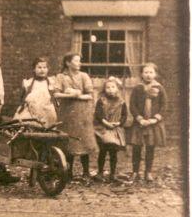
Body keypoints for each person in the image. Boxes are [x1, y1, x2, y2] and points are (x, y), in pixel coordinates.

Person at [54, 52, 98, 182]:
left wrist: (77, 95)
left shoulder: (84, 76)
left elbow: (90, 95)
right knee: (69, 142)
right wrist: (71, 95)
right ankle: (69, 172)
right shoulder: (61, 77)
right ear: (68, 63)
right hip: (67, 114)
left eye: (79, 61)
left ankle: (85, 172)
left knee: (83, 141)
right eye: (76, 61)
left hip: (82, 114)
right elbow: (56, 94)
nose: (79, 63)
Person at [127, 63, 167, 183]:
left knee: (150, 147)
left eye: (151, 72)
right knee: (137, 147)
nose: (148, 75)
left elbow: (164, 105)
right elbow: (132, 105)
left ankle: (148, 172)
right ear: (141, 74)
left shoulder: (160, 88)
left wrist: (155, 119)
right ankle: (135, 172)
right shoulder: (137, 88)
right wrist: (139, 118)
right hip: (139, 123)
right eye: (146, 72)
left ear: (155, 74)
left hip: (153, 123)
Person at [94, 77, 128, 183]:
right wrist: (106, 123)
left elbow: (124, 115)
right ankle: (100, 172)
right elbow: (98, 114)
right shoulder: (101, 101)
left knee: (113, 153)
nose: (110, 89)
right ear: (104, 89)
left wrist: (118, 123)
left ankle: (112, 173)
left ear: (117, 89)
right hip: (103, 129)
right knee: (102, 152)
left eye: (113, 87)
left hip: (115, 130)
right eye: (107, 87)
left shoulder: (121, 102)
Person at [13, 57, 58, 128]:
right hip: (31, 110)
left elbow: (55, 97)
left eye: (44, 67)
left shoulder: (51, 82)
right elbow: (23, 98)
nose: (42, 70)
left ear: (48, 69)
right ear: (34, 69)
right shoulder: (28, 83)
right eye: (39, 67)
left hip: (47, 111)